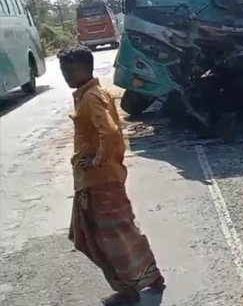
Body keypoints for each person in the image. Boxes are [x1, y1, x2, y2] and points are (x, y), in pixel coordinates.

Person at [58, 44, 165, 305]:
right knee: (116, 230)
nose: (64, 75)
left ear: (81, 69)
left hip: (100, 181)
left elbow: (111, 133)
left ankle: (128, 289)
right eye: (62, 69)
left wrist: (96, 160)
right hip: (101, 179)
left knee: (106, 236)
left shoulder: (92, 97)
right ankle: (149, 276)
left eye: (67, 69)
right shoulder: (91, 93)